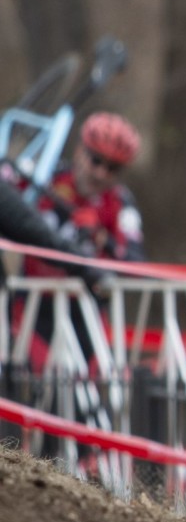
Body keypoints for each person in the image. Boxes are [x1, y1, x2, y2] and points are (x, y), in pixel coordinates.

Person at [17, 111, 144, 368]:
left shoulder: (120, 204)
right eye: (95, 160)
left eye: (112, 168)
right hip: (33, 306)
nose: (101, 173)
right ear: (79, 151)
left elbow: (137, 261)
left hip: (86, 310)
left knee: (85, 394)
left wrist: (101, 237)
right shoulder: (45, 179)